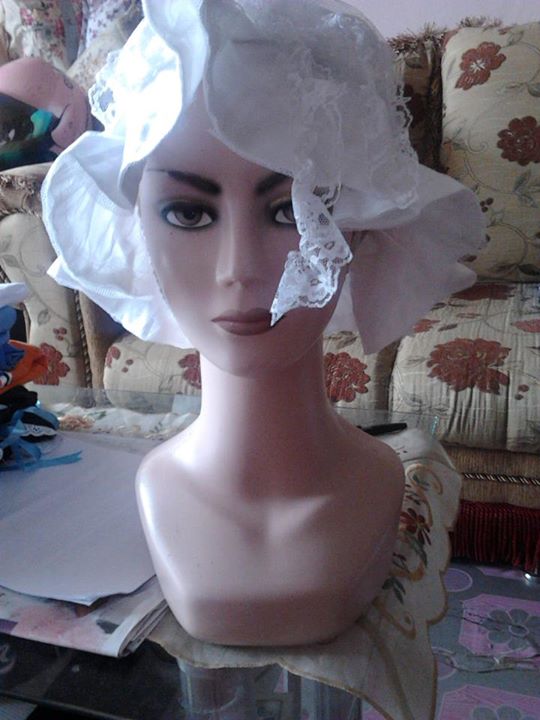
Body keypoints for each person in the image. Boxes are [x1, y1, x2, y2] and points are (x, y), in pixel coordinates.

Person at [42, 0, 485, 646]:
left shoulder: (382, 481)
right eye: (189, 213)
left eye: (289, 210)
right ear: (136, 221)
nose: (240, 270)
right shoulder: (159, 488)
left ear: (362, 226)